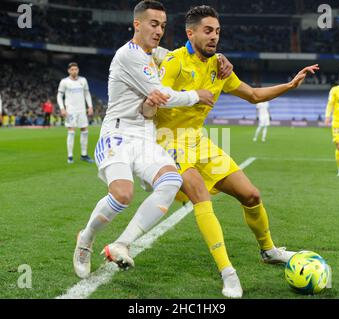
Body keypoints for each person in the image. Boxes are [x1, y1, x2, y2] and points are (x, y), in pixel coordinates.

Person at [110, 5, 319, 298]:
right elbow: (154, 97)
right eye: (208, 30)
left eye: (218, 31)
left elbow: (255, 96)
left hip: (199, 142)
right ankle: (228, 272)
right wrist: (189, 97)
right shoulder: (174, 62)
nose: (214, 37)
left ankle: (269, 250)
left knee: (251, 195)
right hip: (168, 142)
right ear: (190, 32)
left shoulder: (218, 67)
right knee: (200, 195)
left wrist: (291, 84)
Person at [72, 0, 214, 279]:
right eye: (153, 24)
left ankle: (122, 243)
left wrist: (219, 57)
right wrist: (198, 95)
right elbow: (165, 95)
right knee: (123, 195)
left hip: (145, 137)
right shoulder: (129, 55)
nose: (159, 30)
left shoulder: (154, 54)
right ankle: (85, 239)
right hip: (117, 134)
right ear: (137, 24)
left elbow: (182, 53)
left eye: (163, 25)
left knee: (172, 180)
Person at [57, 63, 95, 164]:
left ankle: (84, 154)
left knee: (85, 131)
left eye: (76, 69)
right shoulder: (64, 82)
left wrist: (90, 106)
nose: (74, 71)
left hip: (82, 110)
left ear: (78, 70)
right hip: (71, 111)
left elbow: (87, 93)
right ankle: (70, 156)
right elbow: (59, 96)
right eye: (72, 69)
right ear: (69, 71)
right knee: (71, 131)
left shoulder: (83, 80)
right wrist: (62, 108)